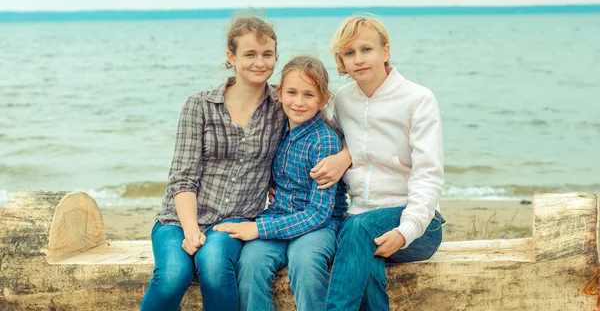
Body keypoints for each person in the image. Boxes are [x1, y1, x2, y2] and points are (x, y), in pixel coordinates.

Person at [140, 16, 288, 311]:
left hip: (236, 219)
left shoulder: (282, 106)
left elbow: (327, 128)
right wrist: (191, 230)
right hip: (178, 219)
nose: (259, 63)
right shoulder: (200, 105)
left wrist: (343, 156)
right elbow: (182, 178)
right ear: (231, 58)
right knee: (172, 275)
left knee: (215, 265)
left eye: (267, 54)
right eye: (250, 54)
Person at [322, 16, 445, 311]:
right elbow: (332, 141)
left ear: (385, 51)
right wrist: (344, 156)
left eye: (366, 49)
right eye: (349, 53)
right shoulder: (342, 100)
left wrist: (407, 230)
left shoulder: (418, 99)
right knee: (365, 261)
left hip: (419, 225)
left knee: (358, 232)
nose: (358, 60)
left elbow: (428, 174)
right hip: (357, 221)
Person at [214, 55, 348, 311]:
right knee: (250, 264)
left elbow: (319, 213)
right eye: (292, 92)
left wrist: (259, 230)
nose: (298, 102)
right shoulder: (279, 129)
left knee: (305, 263)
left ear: (323, 98)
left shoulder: (325, 141)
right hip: (278, 215)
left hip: (317, 226)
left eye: (309, 95)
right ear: (279, 94)